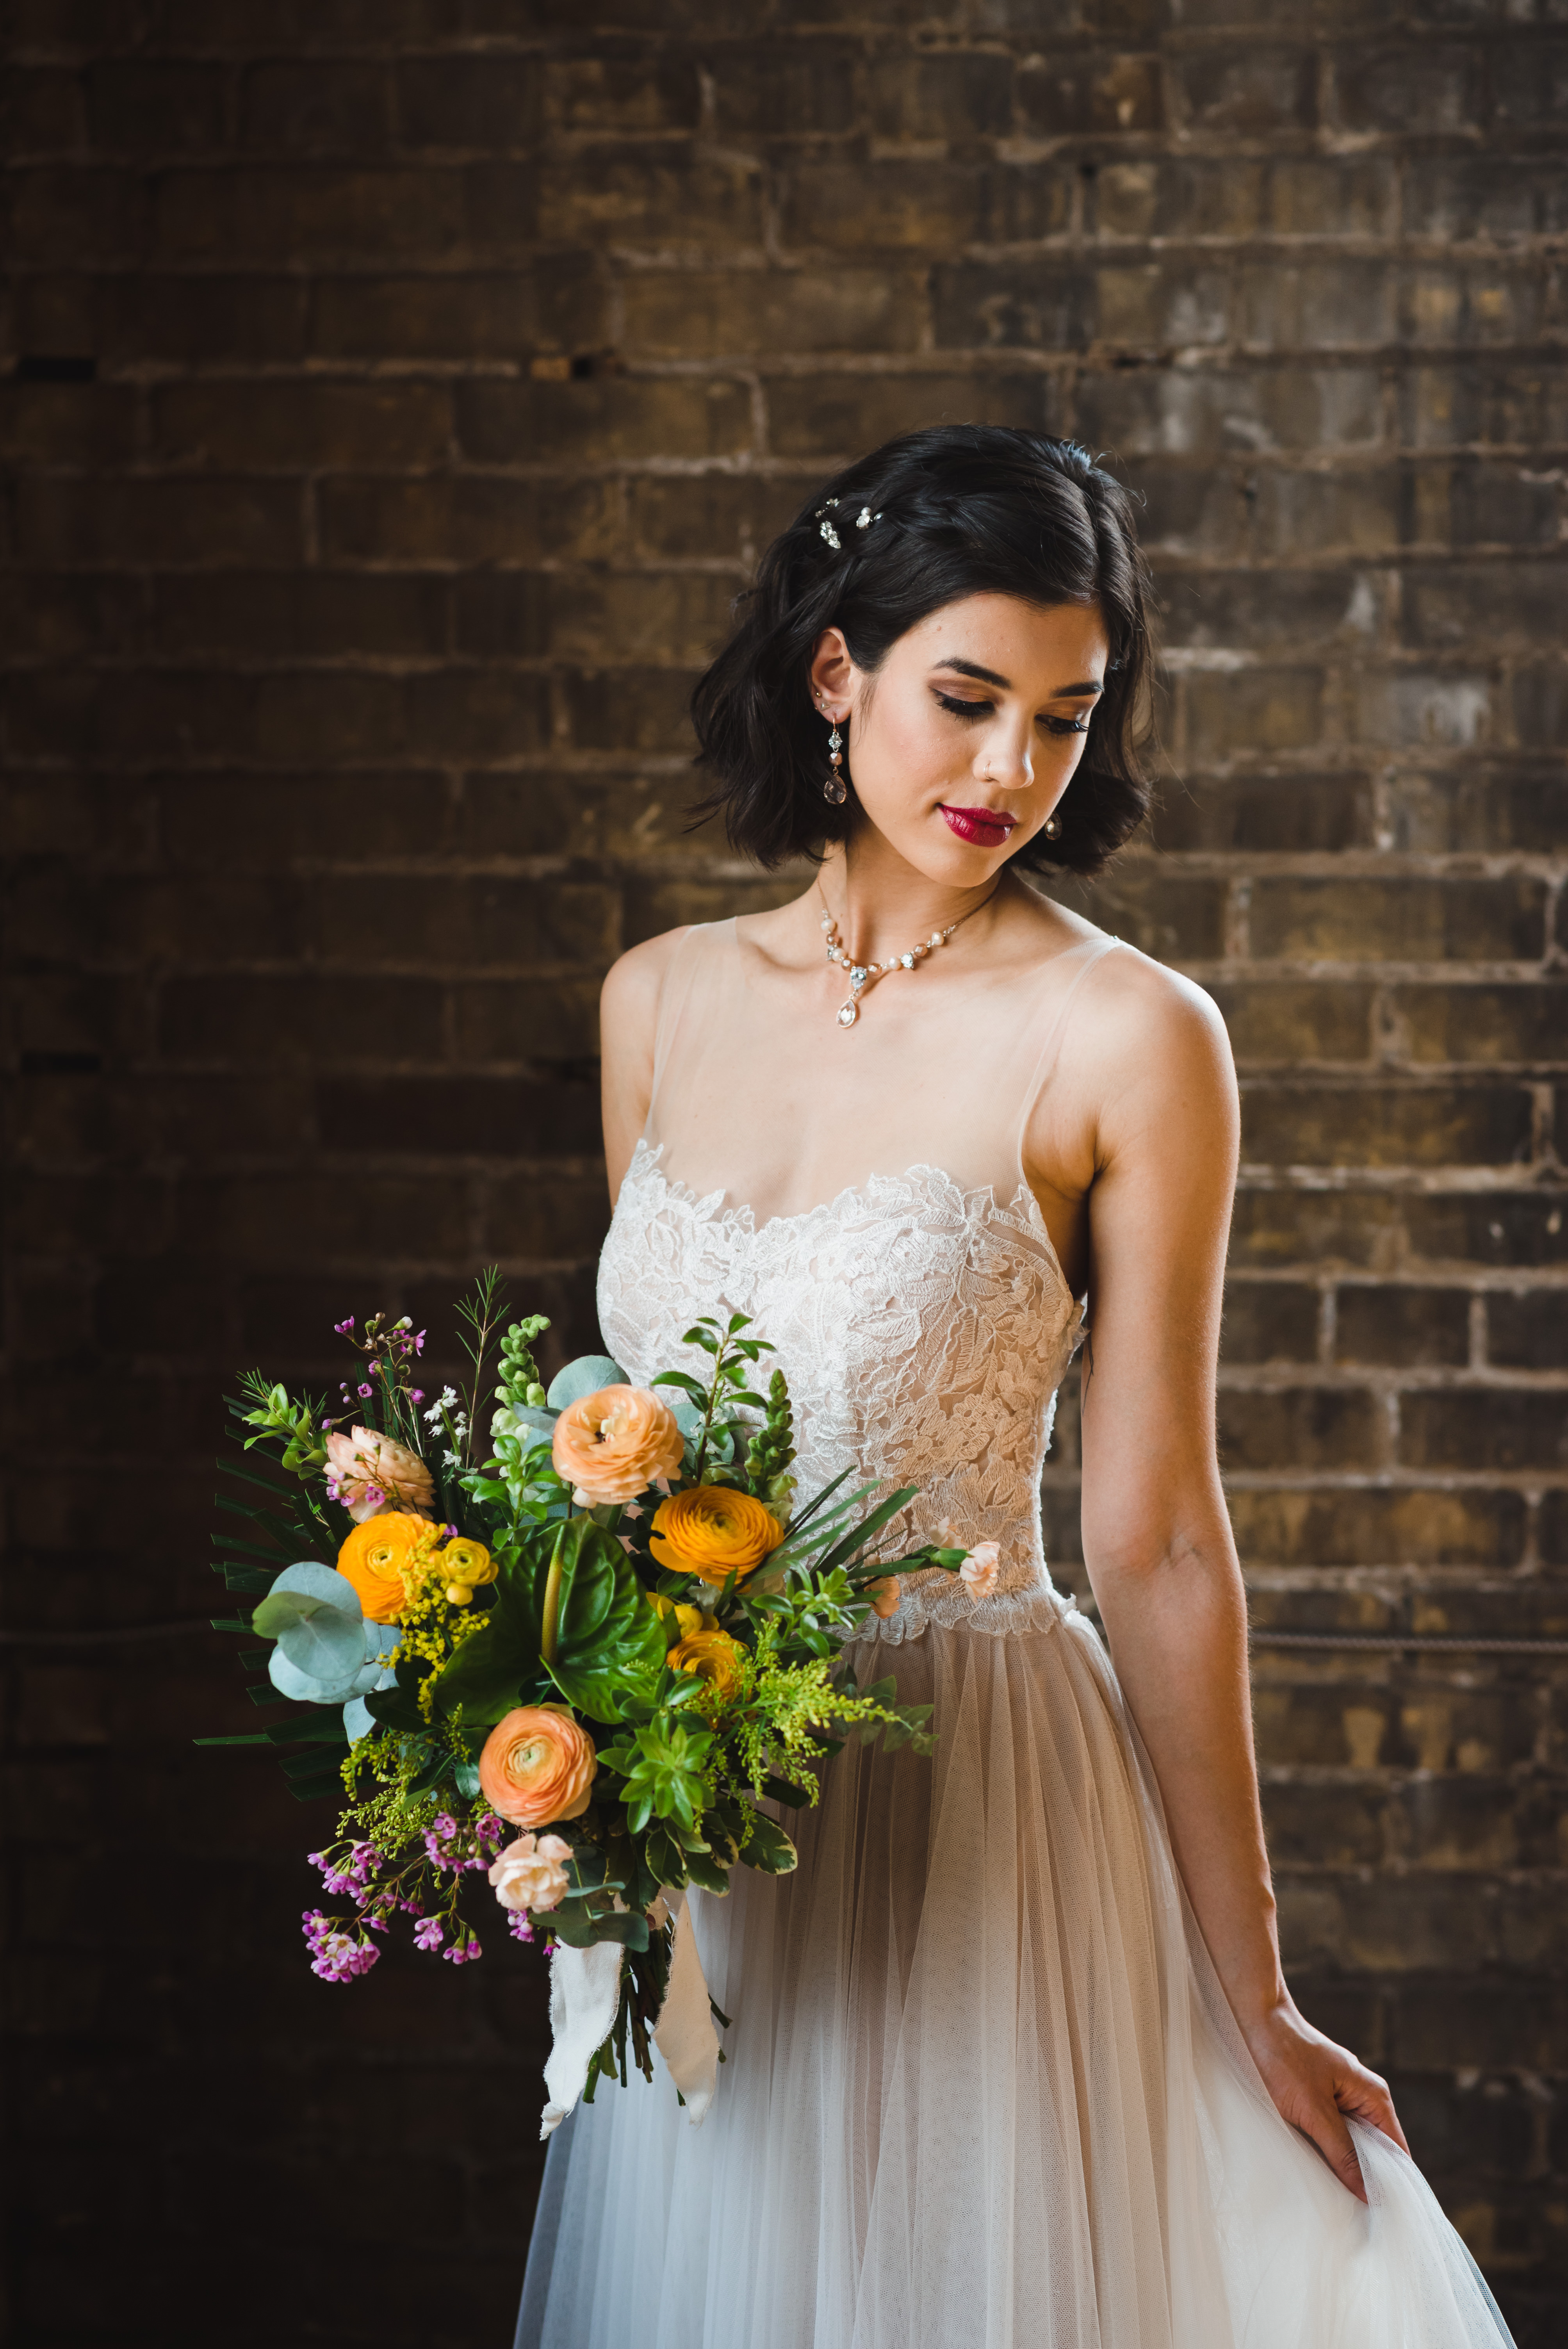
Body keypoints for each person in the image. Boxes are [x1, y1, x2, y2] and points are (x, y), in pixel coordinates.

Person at [516, 426, 1513, 2348]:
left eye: (1064, 719)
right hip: (718, 1818)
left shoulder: (1127, 1033)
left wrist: (1252, 1993)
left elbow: (1148, 1536)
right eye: (964, 701)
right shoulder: (656, 1001)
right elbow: (627, 1468)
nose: (1007, 772)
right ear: (835, 672)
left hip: (974, 1793)